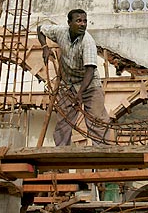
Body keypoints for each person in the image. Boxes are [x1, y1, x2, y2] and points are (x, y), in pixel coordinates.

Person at [37, 9, 112, 146]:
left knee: (97, 122)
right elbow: (40, 29)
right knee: (63, 123)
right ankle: (61, 160)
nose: (83, 24)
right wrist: (45, 47)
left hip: (90, 86)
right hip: (68, 84)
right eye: (78, 21)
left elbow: (90, 70)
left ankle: (103, 158)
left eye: (85, 21)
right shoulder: (60, 31)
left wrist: (80, 93)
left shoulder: (88, 42)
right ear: (69, 23)